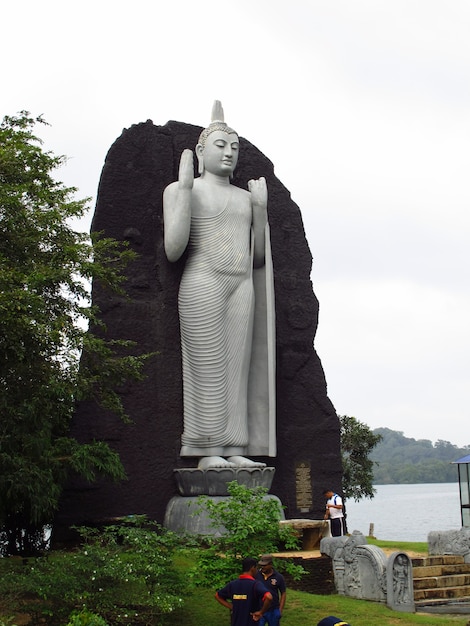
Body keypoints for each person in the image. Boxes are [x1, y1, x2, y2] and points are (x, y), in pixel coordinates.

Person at [163, 101, 276, 470]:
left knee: (237, 371)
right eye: (220, 146)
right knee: (207, 368)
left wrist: (260, 210)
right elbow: (174, 248)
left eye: (234, 148)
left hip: (242, 285)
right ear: (199, 152)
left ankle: (233, 446)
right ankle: (204, 447)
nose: (228, 153)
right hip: (203, 282)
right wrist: (182, 192)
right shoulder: (184, 190)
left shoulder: (246, 198)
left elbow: (259, 257)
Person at [216, 557, 273, 625]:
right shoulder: (255, 584)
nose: (257, 571)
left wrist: (231, 606)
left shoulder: (232, 584)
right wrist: (261, 612)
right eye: (256, 568)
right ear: (252, 568)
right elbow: (269, 597)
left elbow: (217, 596)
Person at [255, 554, 286, 626]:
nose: (263, 567)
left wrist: (280, 610)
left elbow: (283, 593)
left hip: (273, 610)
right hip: (259, 609)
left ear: (271, 564)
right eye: (261, 565)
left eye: (265, 565)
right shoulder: (256, 575)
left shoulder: (279, 577)